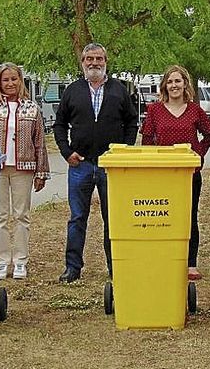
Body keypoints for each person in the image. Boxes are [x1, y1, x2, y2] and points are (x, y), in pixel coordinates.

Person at [53, 43, 138, 283]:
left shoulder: (119, 90)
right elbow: (59, 125)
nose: (94, 63)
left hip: (110, 166)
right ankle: (72, 267)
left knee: (113, 218)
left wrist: (124, 151)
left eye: (98, 58)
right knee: (77, 217)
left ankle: (115, 266)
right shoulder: (73, 91)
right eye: (89, 59)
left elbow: (132, 123)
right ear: (82, 62)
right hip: (80, 165)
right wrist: (66, 152)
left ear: (106, 61)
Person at [0, 63, 50, 280]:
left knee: (21, 215)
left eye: (14, 79)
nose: (10, 84)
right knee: (0, 216)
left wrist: (41, 171)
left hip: (23, 168)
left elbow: (39, 142)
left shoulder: (31, 108)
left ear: (20, 81)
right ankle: (1, 260)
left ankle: (20, 261)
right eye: (5, 80)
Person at [140, 65, 210, 281]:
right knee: (162, 216)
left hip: (188, 174)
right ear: (165, 85)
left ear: (185, 85)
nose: (174, 85)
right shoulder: (154, 110)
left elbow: (209, 133)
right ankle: (164, 258)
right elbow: (146, 140)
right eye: (170, 81)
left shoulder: (195, 110)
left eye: (178, 81)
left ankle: (190, 263)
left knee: (189, 217)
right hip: (162, 174)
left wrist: (198, 154)